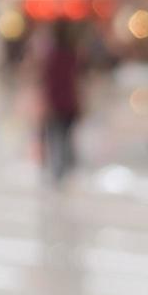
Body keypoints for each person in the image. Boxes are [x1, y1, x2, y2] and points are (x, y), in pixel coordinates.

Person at [40, 20, 83, 182]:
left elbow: (47, 83)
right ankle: (64, 169)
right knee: (65, 137)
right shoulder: (70, 56)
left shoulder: (53, 57)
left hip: (57, 103)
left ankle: (59, 170)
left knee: (56, 137)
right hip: (67, 102)